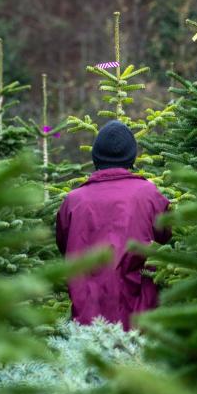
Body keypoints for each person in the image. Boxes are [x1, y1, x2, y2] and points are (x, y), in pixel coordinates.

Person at [55, 120, 170, 330]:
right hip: (139, 323)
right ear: (131, 157)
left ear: (96, 157)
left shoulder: (74, 201)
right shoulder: (149, 195)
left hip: (87, 327)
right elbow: (167, 241)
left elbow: (64, 246)